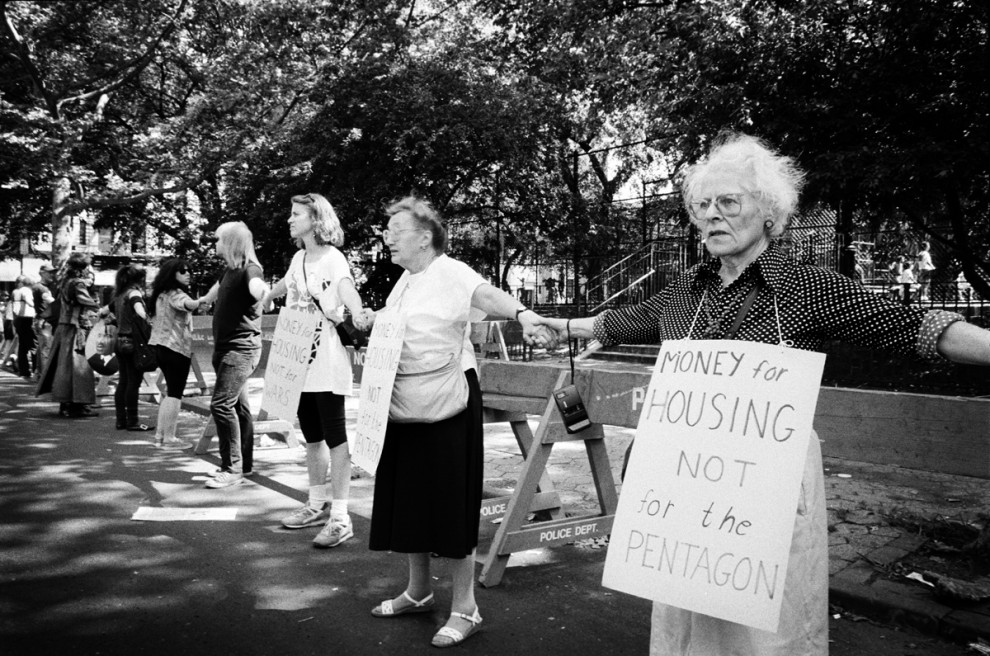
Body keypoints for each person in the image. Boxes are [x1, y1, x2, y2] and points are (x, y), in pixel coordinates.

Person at [528, 133, 990, 656]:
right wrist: (557, 326)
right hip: (686, 482)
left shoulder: (808, 287)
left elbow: (914, 326)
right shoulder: (685, 290)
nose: (712, 216)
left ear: (769, 213)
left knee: (768, 626)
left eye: (728, 202)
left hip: (768, 484)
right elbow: (614, 321)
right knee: (689, 607)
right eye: (702, 205)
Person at [360, 196, 547, 649]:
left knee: (449, 502)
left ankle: (466, 608)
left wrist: (524, 314)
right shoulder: (405, 279)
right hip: (404, 404)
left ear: (424, 236)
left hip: (448, 405)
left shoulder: (451, 271)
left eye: (395, 228)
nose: (387, 235)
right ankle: (419, 591)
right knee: (409, 498)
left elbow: (484, 295)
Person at [261, 193, 367, 546]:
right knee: (312, 436)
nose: (290, 220)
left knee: (336, 438)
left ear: (315, 219)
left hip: (326, 362)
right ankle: (316, 504)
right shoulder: (299, 257)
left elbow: (345, 288)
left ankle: (341, 516)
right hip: (299, 362)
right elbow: (284, 286)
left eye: (296, 214)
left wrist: (358, 309)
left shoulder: (333, 259)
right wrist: (264, 296)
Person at [198, 221, 270, 489]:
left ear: (230, 242)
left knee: (221, 405)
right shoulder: (229, 270)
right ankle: (245, 465)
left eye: (217, 239)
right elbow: (214, 292)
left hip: (240, 350)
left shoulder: (250, 269)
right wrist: (201, 301)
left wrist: (267, 295)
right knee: (239, 407)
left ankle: (232, 468)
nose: (214, 243)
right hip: (227, 349)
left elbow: (258, 286)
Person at [148, 258, 205, 448]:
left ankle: (160, 435)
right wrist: (202, 300)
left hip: (160, 346)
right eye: (183, 271)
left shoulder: (160, 294)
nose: (188, 274)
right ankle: (169, 438)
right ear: (172, 274)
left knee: (169, 393)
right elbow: (186, 304)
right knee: (175, 394)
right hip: (175, 348)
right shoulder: (175, 294)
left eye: (189, 270)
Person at [36, 253, 101, 418]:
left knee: (63, 367)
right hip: (75, 328)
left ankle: (67, 403)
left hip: (63, 328)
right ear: (82, 269)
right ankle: (76, 405)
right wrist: (99, 304)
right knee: (78, 368)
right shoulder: (78, 283)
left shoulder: (64, 282)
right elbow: (87, 302)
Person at [104, 264, 155, 432]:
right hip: (133, 342)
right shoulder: (133, 293)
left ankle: (121, 420)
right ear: (139, 280)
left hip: (119, 341)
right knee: (134, 382)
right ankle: (133, 421)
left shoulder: (118, 295)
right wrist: (149, 321)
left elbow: (102, 312)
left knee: (123, 381)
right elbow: (139, 309)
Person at [32, 263, 57, 380]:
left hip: (44, 321)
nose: (52, 274)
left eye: (53, 272)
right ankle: (46, 377)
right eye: (49, 272)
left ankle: (38, 374)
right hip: (44, 321)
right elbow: (52, 302)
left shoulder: (45, 287)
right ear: (42, 273)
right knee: (46, 349)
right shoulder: (41, 288)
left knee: (43, 348)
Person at [11, 275, 37, 378]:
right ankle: (35, 369)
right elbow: (30, 303)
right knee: (34, 345)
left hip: (18, 319)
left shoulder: (15, 292)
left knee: (22, 346)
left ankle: (24, 371)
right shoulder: (26, 291)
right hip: (28, 318)